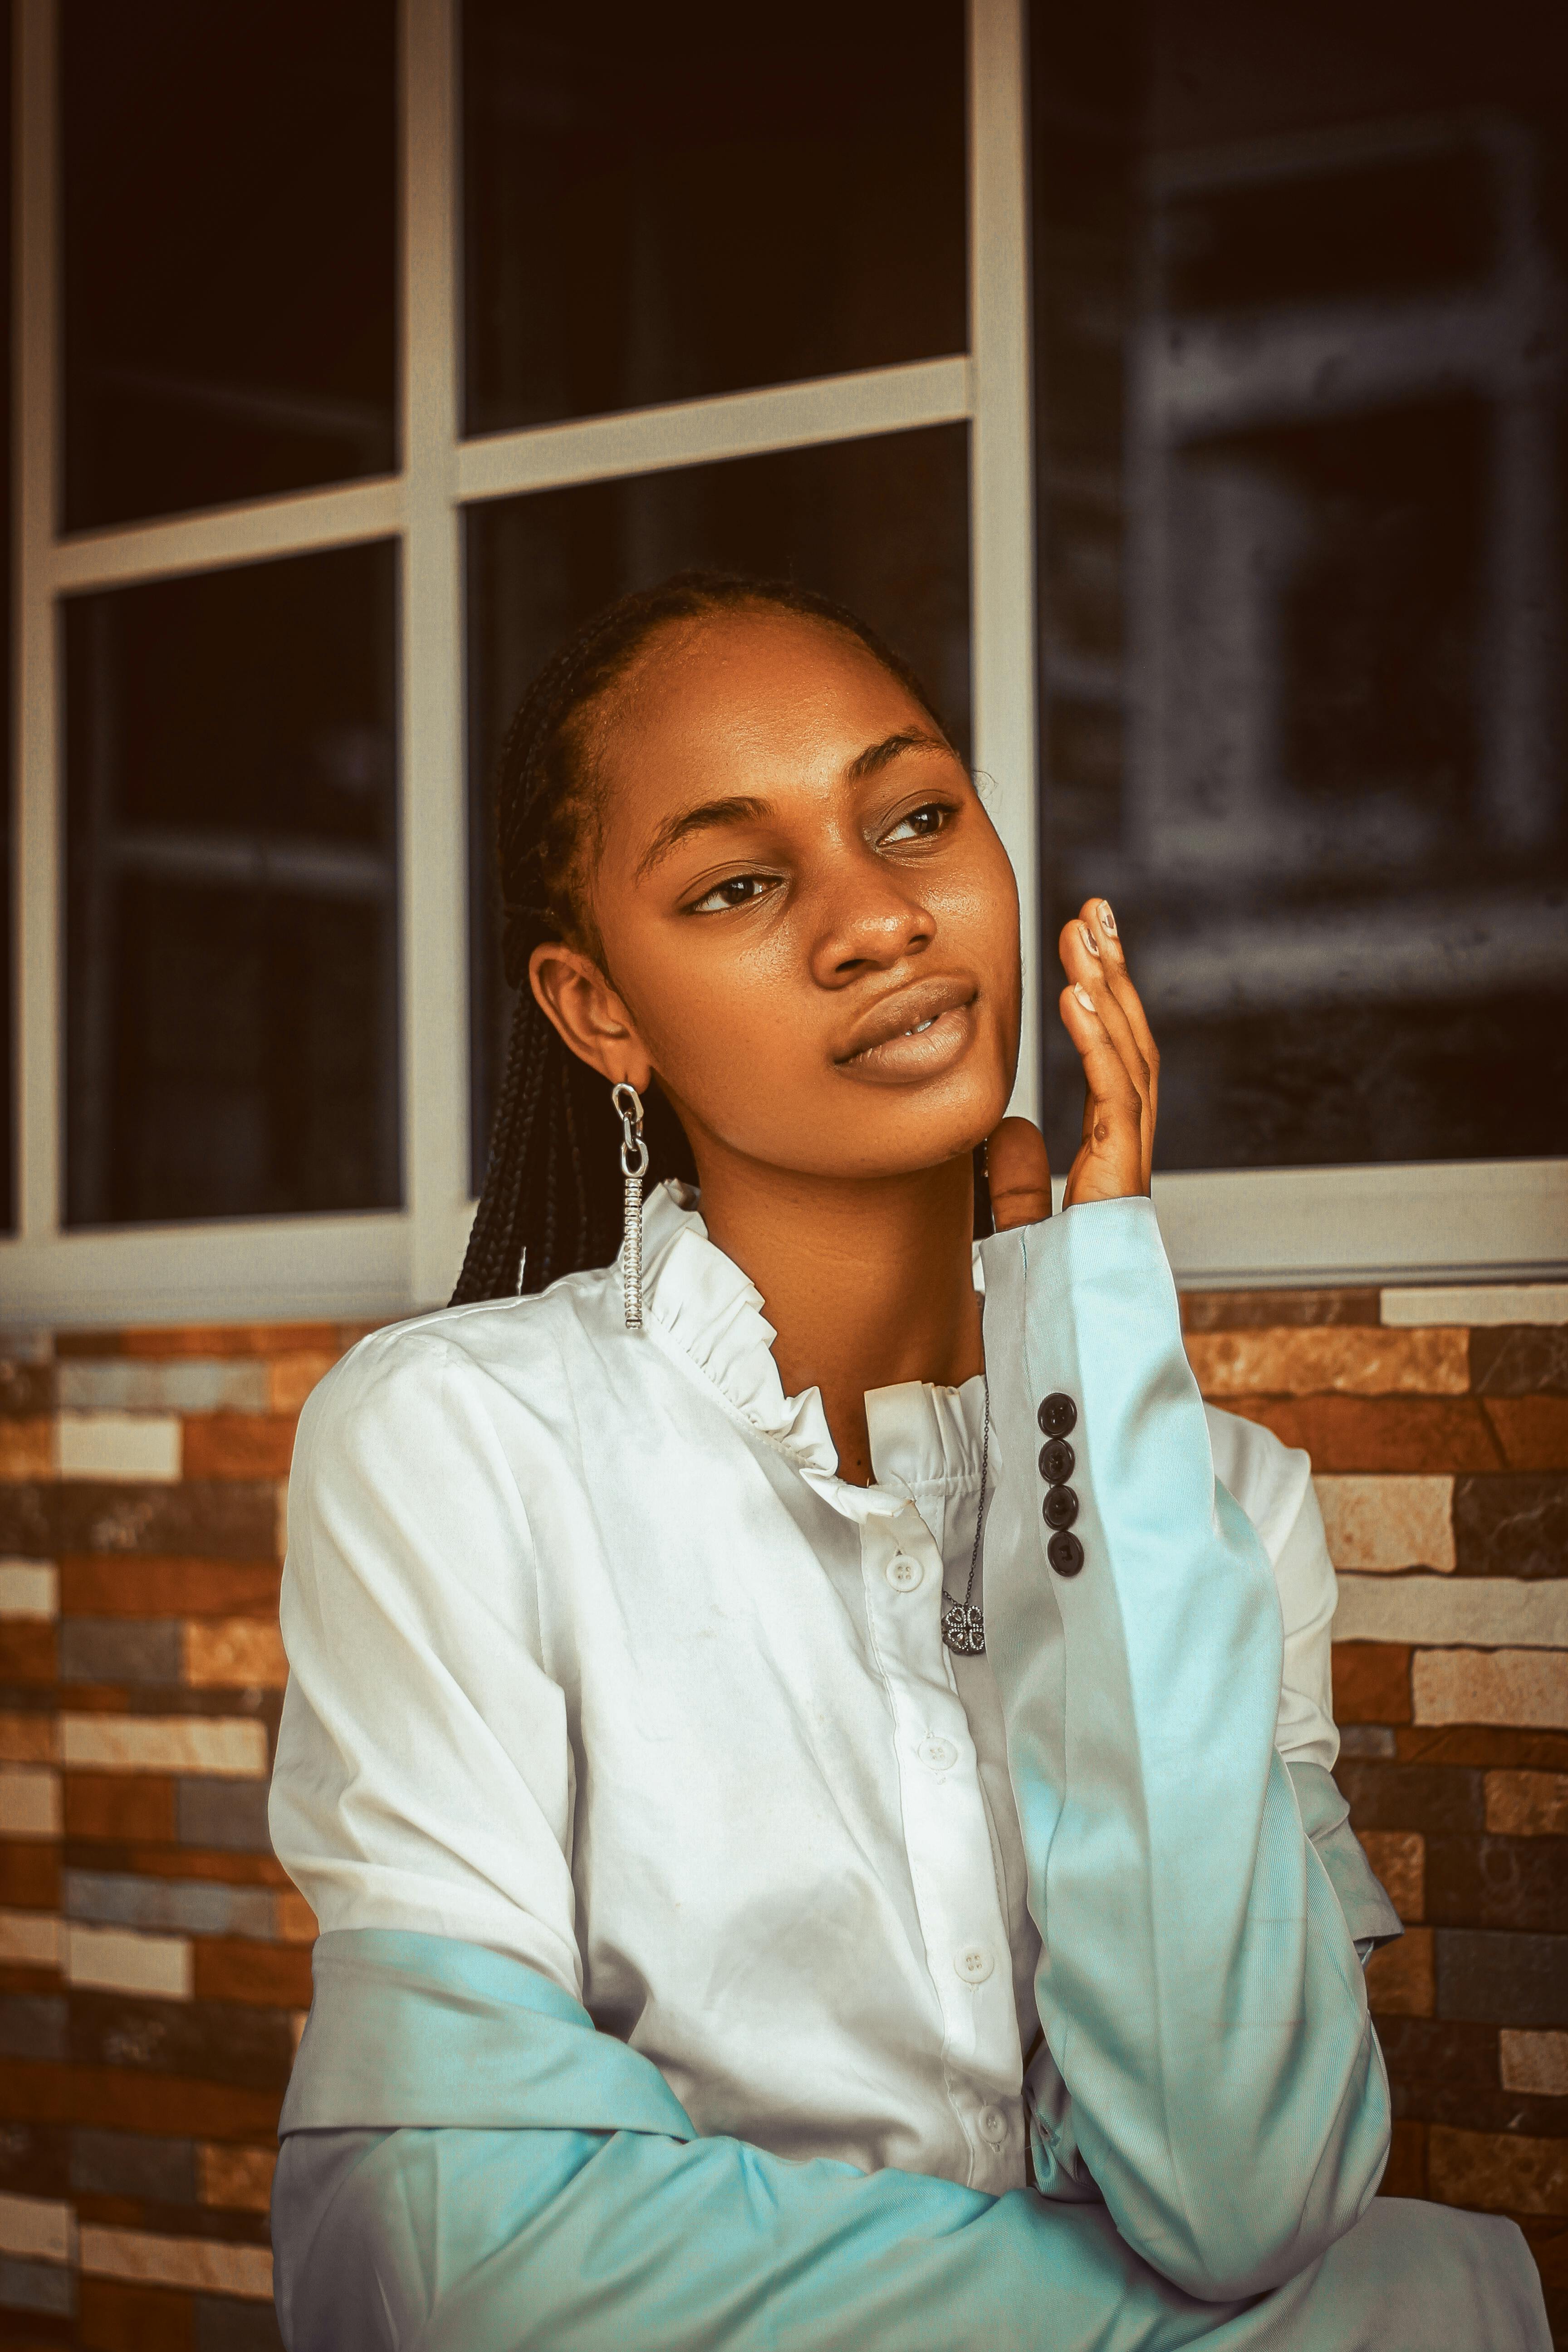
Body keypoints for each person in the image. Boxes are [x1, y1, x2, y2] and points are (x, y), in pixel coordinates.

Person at [267, 573, 1547, 2349]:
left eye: (917, 819)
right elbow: (442, 2257)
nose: (877, 918)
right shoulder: (456, 1443)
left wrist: (1093, 1367)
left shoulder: (1223, 1508)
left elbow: (1245, 2197)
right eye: (739, 882)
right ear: (598, 1009)